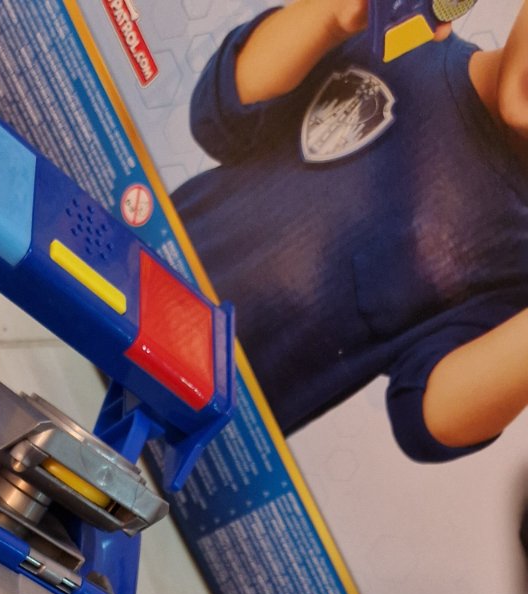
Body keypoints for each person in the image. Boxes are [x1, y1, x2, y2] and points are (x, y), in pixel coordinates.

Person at [172, 0, 528, 461]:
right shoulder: (402, 40)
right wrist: (333, 15)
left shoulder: (519, 258)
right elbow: (217, 115)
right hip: (103, 273)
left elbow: (428, 418)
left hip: (180, 432)